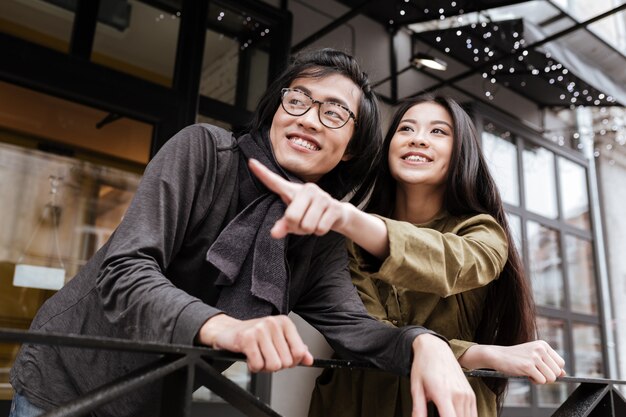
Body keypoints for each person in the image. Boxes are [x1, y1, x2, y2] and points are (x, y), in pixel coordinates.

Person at [9, 50, 477, 417]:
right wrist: (226, 327)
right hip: (64, 377)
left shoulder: (322, 232)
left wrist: (424, 343)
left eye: (334, 112)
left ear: (352, 149)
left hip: (151, 400)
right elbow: (125, 271)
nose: (310, 118)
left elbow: (355, 329)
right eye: (297, 100)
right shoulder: (204, 153)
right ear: (276, 110)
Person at [248, 94, 566, 417]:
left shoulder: (483, 232)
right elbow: (367, 332)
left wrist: (348, 219)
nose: (418, 139)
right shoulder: (348, 235)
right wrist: (481, 354)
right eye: (406, 129)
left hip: (446, 406)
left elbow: (448, 265)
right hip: (355, 403)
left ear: (461, 152)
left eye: (438, 132)